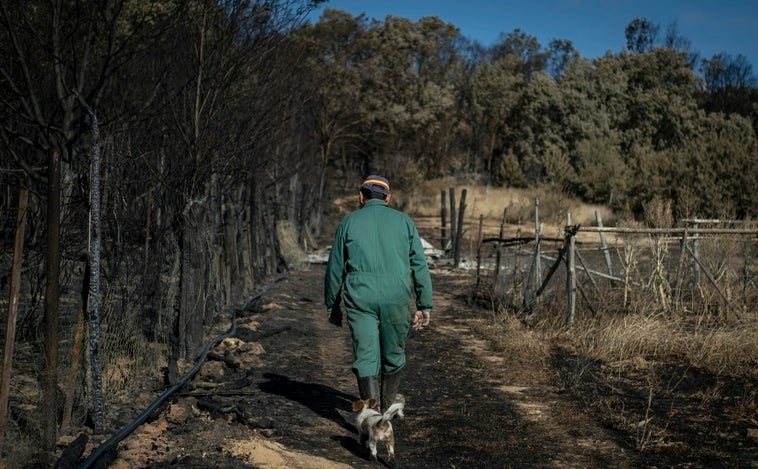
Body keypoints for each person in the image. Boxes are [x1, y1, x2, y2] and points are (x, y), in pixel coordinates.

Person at [324, 174, 433, 412]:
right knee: (393, 354)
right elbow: (420, 265)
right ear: (388, 198)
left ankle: (372, 418)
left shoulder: (349, 222)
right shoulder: (405, 222)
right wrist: (424, 304)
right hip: (396, 297)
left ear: (361, 196)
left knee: (366, 357)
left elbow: (334, 267)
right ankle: (386, 409)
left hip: (360, 298)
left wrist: (332, 304)